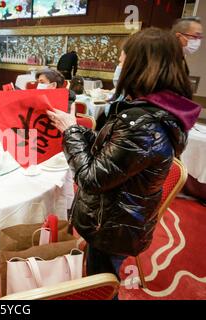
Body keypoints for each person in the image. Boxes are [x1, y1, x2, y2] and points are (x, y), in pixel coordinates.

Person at [46, 28, 201, 284]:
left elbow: (90, 178)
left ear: (139, 67)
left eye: (121, 62)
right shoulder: (158, 110)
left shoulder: (144, 124)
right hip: (122, 215)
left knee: (102, 283)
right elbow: (110, 156)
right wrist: (76, 128)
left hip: (112, 225)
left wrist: (70, 131)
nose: (119, 69)